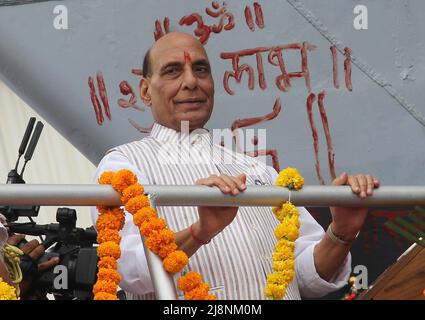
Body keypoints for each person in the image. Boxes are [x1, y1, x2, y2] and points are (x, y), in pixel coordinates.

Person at [91, 32, 380, 300]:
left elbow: (305, 277)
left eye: (201, 70)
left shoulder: (258, 170)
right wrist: (199, 231)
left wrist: (341, 232)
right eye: (173, 71)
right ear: (145, 91)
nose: (191, 81)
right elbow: (131, 271)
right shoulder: (123, 165)